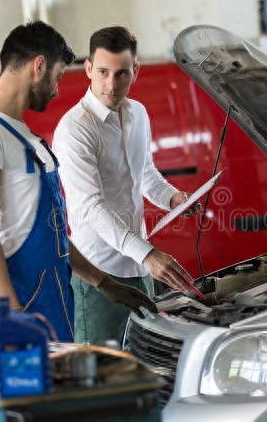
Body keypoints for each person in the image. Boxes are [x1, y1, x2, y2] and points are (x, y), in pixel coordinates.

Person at [0, 21, 157, 342]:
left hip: (53, 289)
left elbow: (54, 232)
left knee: (71, 388)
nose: (57, 89)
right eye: (59, 76)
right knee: (36, 391)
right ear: (38, 66)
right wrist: (11, 311)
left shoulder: (23, 134)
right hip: (20, 295)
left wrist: (103, 282)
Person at [52, 26, 199, 344]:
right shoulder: (75, 129)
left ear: (135, 71)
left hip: (139, 270)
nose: (111, 84)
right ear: (88, 69)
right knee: (103, 376)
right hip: (100, 273)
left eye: (121, 74)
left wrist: (173, 198)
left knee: (145, 364)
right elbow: (91, 207)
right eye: (103, 71)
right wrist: (148, 254)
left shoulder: (138, 114)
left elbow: (145, 174)